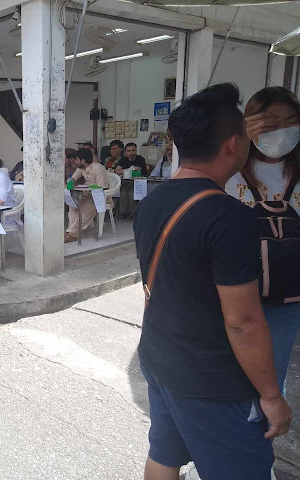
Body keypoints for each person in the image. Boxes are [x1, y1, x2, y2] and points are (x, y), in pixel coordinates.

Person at [134, 83, 291, 480]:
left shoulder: (152, 202)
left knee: (165, 456)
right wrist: (272, 396)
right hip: (211, 380)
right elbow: (243, 323)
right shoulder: (229, 216)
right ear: (233, 144)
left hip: (158, 356)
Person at [225, 86, 300, 396]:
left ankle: (267, 413)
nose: (280, 131)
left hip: (287, 294)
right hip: (236, 288)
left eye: (290, 122)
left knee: (275, 365)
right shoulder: (229, 170)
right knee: (232, 368)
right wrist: (238, 140)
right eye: (270, 123)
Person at [64, 148, 108, 243]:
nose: (75, 162)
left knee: (84, 210)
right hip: (86, 194)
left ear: (83, 161)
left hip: (98, 196)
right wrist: (70, 181)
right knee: (72, 205)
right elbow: (73, 179)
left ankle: (72, 233)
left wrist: (87, 191)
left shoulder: (98, 168)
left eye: (77, 160)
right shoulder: (81, 168)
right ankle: (71, 232)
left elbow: (101, 187)